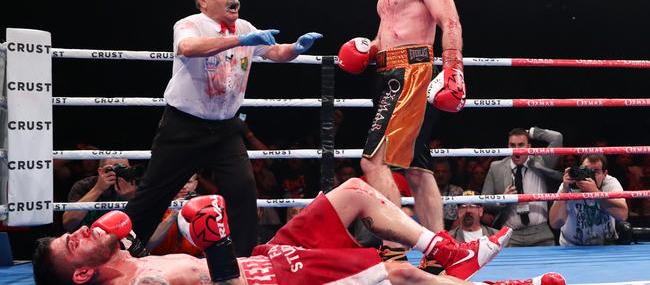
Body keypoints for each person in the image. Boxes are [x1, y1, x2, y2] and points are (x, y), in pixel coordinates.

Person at [33, 177, 566, 285]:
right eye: (71, 243)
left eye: (71, 232)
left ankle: (451, 252)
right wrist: (217, 244)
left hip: (271, 254)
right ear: (82, 274)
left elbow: (190, 239)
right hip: (276, 282)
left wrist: (197, 233)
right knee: (398, 274)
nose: (79, 232)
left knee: (356, 190)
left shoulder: (137, 252)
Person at [122, 0, 322, 257]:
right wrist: (242, 41)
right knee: (153, 196)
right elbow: (187, 48)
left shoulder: (244, 27)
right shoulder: (191, 24)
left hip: (226, 128)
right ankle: (118, 252)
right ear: (203, 0)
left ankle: (243, 262)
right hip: (183, 127)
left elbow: (275, 52)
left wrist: (296, 48)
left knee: (243, 191)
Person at [337, 0, 466, 267]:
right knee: (416, 168)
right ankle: (440, 253)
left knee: (372, 161)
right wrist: (365, 50)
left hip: (410, 75)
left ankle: (394, 248)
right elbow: (387, 38)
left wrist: (454, 69)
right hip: (389, 73)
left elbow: (450, 22)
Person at [481, 127, 563, 247]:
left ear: (529, 147)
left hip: (541, 234)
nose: (517, 149)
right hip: (510, 235)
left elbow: (557, 137)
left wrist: (531, 132)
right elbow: (484, 201)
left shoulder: (542, 161)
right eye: (512, 145)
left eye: (521, 145)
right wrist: (502, 200)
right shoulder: (496, 167)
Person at [549, 154, 628, 246]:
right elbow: (555, 224)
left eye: (596, 172)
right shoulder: (570, 184)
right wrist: (564, 191)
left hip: (606, 246)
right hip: (572, 247)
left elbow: (622, 215)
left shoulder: (610, 183)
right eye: (587, 171)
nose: (590, 177)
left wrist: (595, 193)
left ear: (605, 174)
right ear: (580, 169)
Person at [62, 158, 137, 232]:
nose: (119, 173)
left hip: (123, 238)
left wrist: (131, 198)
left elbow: (144, 226)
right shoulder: (84, 185)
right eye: (114, 169)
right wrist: (98, 189)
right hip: (88, 239)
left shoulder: (135, 185)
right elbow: (68, 224)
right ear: (100, 171)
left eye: (124, 169)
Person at [146, 175, 203, 256]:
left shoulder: (205, 207)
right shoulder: (156, 206)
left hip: (194, 262)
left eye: (188, 182)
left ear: (195, 184)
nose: (183, 186)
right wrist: (174, 213)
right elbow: (149, 244)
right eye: (180, 181)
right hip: (160, 262)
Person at [434, 159, 465, 230]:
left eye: (444, 172)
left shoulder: (458, 191)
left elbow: (466, 210)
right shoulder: (425, 191)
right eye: (437, 172)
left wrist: (459, 220)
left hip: (454, 228)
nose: (440, 175)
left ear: (450, 174)